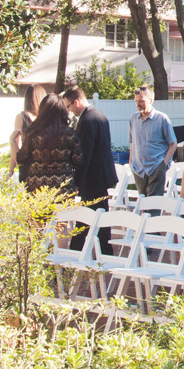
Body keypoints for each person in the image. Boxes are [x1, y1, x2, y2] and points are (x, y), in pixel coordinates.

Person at [61, 86, 118, 252]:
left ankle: (79, 250)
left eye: (68, 106)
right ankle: (102, 250)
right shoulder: (99, 115)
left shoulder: (87, 120)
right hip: (101, 175)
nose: (69, 111)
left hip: (92, 177)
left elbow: (84, 154)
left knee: (89, 215)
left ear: (76, 102)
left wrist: (76, 182)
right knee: (99, 214)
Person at [16, 93, 81, 195]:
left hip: (36, 188)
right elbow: (78, 161)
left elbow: (21, 159)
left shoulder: (32, 133)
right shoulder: (70, 134)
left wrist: (13, 141)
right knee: (63, 211)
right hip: (63, 187)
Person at [128, 86, 178, 197]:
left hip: (156, 167)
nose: (138, 104)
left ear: (151, 100)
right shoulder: (133, 119)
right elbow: (132, 141)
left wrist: (163, 164)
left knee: (153, 204)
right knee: (142, 201)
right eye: (136, 101)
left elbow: (173, 143)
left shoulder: (162, 119)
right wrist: (131, 161)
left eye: (141, 101)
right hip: (138, 168)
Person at [8, 84, 46, 178]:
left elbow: (15, 147)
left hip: (27, 168)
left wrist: (10, 170)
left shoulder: (22, 117)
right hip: (45, 168)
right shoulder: (48, 118)